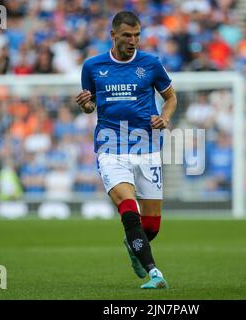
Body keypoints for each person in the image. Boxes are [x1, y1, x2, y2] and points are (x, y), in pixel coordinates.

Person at [75, 11, 177, 289]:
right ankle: (155, 273)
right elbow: (90, 106)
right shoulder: (93, 66)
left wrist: (164, 118)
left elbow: (170, 97)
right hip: (110, 149)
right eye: (127, 35)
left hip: (147, 148)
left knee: (151, 226)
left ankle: (133, 244)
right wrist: (86, 105)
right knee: (129, 211)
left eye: (137, 35)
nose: (133, 41)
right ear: (113, 35)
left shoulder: (151, 64)